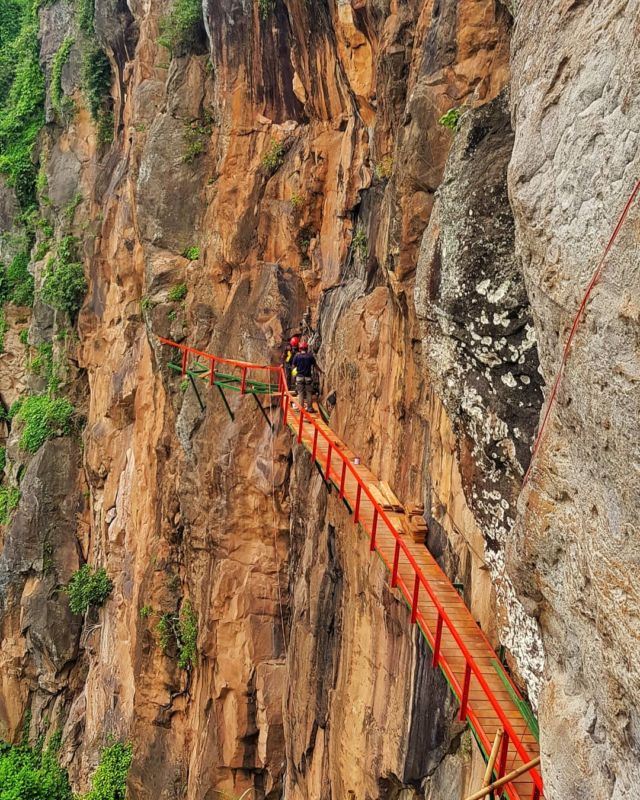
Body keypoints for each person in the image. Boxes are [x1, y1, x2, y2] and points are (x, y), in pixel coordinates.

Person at [292, 341, 321, 412]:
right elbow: (315, 366)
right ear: (307, 348)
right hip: (308, 377)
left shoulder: (297, 356)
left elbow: (293, 366)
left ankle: (301, 408)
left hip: (299, 377)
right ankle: (310, 408)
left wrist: (296, 372)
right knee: (309, 393)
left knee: (300, 393)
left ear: (300, 348)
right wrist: (321, 371)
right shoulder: (310, 356)